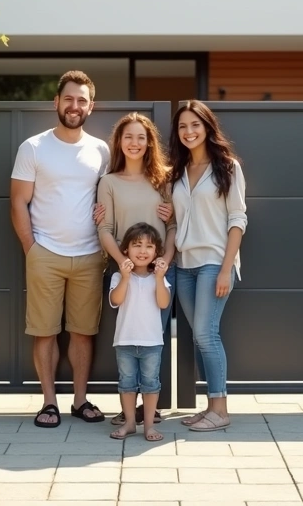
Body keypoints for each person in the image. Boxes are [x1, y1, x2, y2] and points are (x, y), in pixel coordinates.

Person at [10, 70, 110, 428]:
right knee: (45, 331)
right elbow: (18, 202)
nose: (74, 105)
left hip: (89, 255)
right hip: (45, 254)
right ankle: (49, 403)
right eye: (68, 98)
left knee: (83, 331)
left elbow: (110, 196)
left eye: (82, 100)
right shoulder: (33, 147)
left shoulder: (101, 150)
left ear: (91, 106)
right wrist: (31, 248)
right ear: (56, 102)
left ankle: (80, 401)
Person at [170, 100, 247, 432]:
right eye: (183, 126)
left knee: (206, 333)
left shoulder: (227, 168)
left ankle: (221, 409)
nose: (189, 132)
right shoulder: (178, 171)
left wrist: (227, 268)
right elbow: (178, 217)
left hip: (214, 262)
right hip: (183, 264)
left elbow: (238, 219)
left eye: (195, 125)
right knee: (200, 337)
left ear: (207, 127)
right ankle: (209, 406)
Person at [94, 113, 174, 427]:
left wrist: (164, 259)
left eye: (141, 137)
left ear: (149, 142)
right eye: (129, 136)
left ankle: (149, 411)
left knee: (153, 341)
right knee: (129, 341)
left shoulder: (164, 179)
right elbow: (105, 228)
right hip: (127, 273)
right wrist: (121, 262)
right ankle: (130, 411)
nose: (135, 143)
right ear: (119, 141)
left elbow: (174, 224)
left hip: (158, 274)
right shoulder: (109, 182)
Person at [107, 223, 172, 441]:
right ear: (126, 249)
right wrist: (125, 277)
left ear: (156, 253)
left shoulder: (159, 278)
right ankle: (130, 423)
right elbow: (115, 300)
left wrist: (160, 277)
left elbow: (164, 303)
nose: (142, 251)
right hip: (124, 341)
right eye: (136, 245)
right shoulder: (119, 277)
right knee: (126, 383)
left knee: (151, 383)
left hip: (152, 342)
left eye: (149, 246)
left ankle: (149, 426)